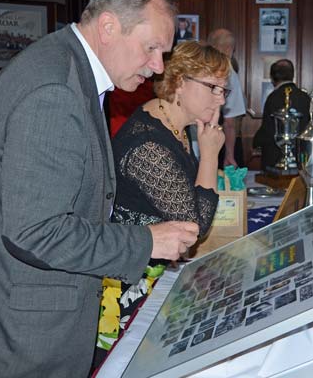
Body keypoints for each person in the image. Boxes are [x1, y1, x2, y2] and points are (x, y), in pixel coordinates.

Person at [0, 0, 200, 378]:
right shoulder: (55, 90)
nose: (157, 65)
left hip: (16, 313)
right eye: (152, 47)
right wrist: (147, 240)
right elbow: (36, 232)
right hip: (20, 333)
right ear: (108, 27)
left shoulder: (62, 66)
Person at [95, 40, 228, 363]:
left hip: (150, 270)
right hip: (126, 286)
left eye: (223, 90)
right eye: (213, 88)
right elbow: (194, 228)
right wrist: (210, 153)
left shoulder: (176, 127)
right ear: (180, 82)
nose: (221, 98)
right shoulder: (148, 145)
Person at [253, 59, 310, 171]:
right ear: (292, 74)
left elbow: (267, 128)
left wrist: (256, 142)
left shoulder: (273, 98)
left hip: (274, 158)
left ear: (273, 77)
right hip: (299, 157)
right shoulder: (305, 97)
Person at [207, 28, 246, 167]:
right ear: (229, 48)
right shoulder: (228, 73)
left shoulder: (198, 68)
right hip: (217, 142)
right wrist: (230, 154)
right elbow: (229, 123)